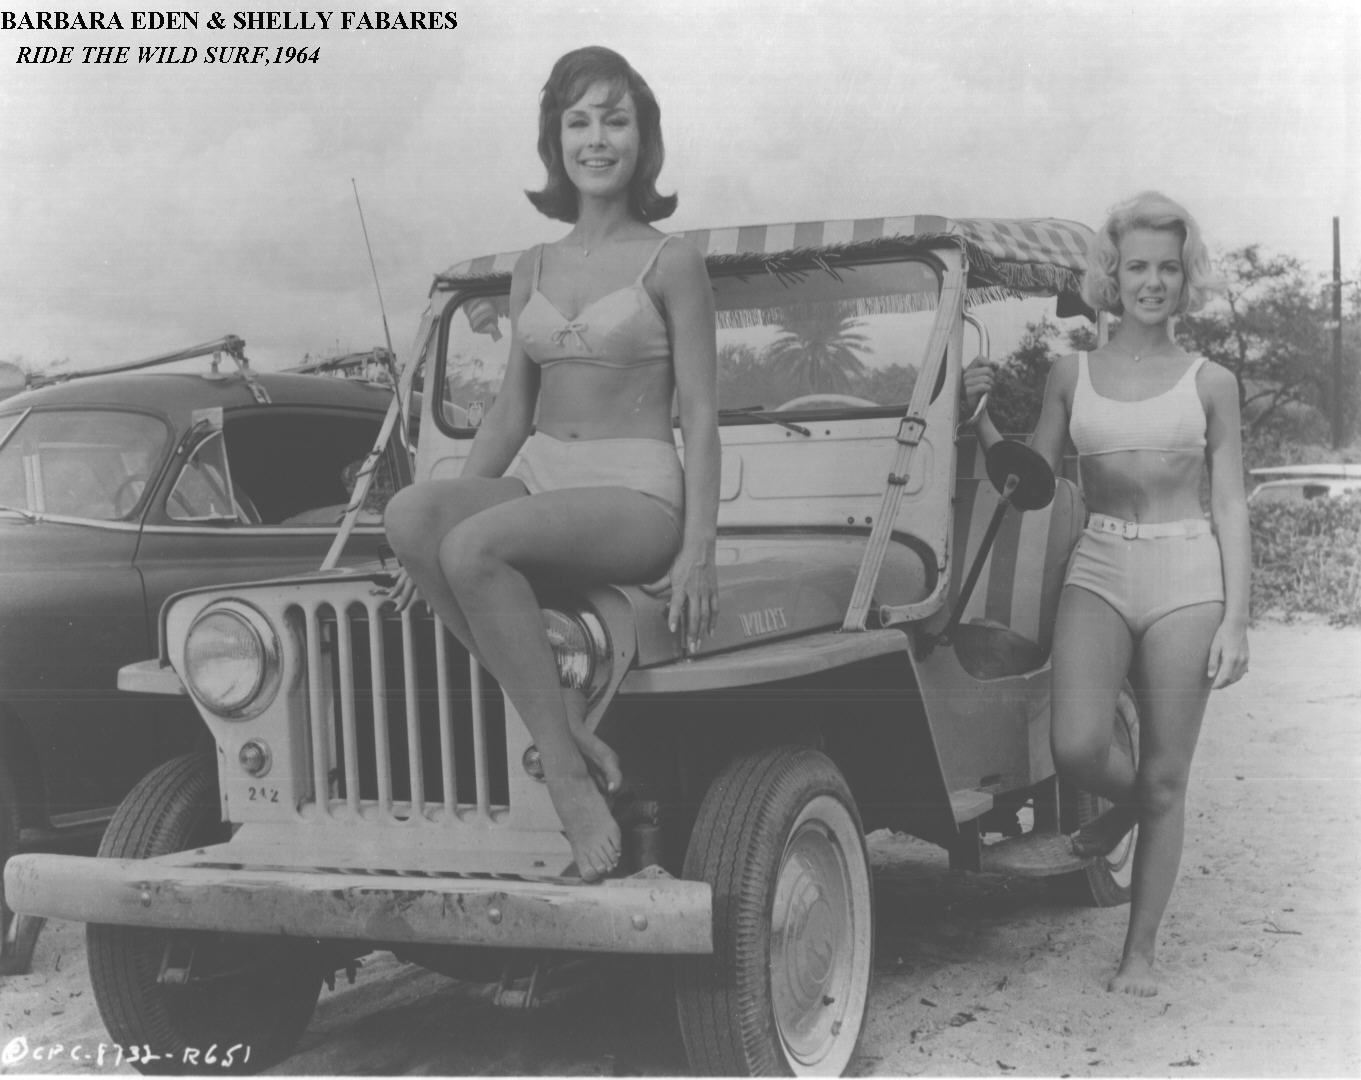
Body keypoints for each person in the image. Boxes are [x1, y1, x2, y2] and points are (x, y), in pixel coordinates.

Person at [383, 46, 720, 883]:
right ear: (554, 140)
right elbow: (509, 409)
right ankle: (565, 718)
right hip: (540, 474)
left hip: (634, 490)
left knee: (472, 549)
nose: (596, 139)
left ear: (643, 139)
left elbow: (702, 414)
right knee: (412, 517)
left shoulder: (672, 261)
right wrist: (430, 535)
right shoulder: (531, 265)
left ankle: (565, 774)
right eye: (578, 122)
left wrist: (699, 548)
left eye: (615, 121)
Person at [966, 191, 1250, 995]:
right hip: (1097, 565)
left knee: (1165, 772)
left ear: (1184, 277)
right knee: (1077, 747)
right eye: (1136, 268)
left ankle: (1138, 956)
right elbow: (1030, 485)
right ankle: (1134, 806)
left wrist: (1236, 617)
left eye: (1168, 268)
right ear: (1111, 276)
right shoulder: (1069, 373)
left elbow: (1229, 502)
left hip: (1186, 574)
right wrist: (977, 414)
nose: (1151, 282)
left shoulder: (1211, 382)